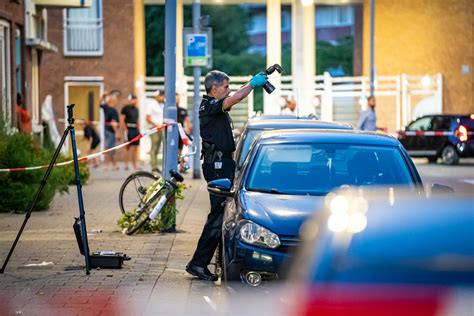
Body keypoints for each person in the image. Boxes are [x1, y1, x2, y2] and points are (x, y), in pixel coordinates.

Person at [185, 70, 268, 281]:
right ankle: (197, 263)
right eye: (225, 87)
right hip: (217, 165)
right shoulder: (209, 105)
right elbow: (238, 97)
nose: (228, 90)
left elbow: (235, 96)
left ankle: (207, 260)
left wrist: (250, 83)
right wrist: (252, 83)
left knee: (222, 215)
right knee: (218, 216)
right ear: (214, 89)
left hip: (224, 163)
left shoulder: (217, 104)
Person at [145, 89, 165, 173]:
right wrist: (156, 125)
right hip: (153, 128)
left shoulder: (162, 105)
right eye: (161, 95)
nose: (162, 97)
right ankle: (153, 166)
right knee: (154, 145)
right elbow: (148, 118)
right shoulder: (151, 104)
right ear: (156, 96)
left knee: (157, 147)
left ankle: (155, 165)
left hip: (160, 128)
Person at [101, 92, 120, 170]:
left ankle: (113, 165)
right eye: (116, 100)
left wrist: (103, 96)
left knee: (108, 148)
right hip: (111, 132)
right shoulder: (113, 110)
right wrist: (117, 133)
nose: (117, 101)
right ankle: (107, 165)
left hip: (106, 130)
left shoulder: (106, 107)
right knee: (110, 149)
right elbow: (113, 123)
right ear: (112, 101)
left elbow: (99, 103)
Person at [121, 93, 140, 170]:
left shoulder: (136, 109)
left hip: (135, 129)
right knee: (127, 147)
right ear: (130, 100)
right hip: (128, 129)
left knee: (135, 147)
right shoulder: (125, 108)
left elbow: (137, 120)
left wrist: (138, 129)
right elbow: (122, 120)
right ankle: (126, 165)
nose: (134, 101)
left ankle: (134, 165)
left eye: (135, 99)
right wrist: (125, 130)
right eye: (132, 99)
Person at [176, 93, 191, 172]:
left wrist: (187, 129)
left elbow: (187, 120)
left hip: (180, 133)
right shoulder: (170, 110)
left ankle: (181, 167)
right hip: (172, 133)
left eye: (178, 98)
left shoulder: (182, 110)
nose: (177, 100)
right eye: (175, 98)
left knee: (180, 150)